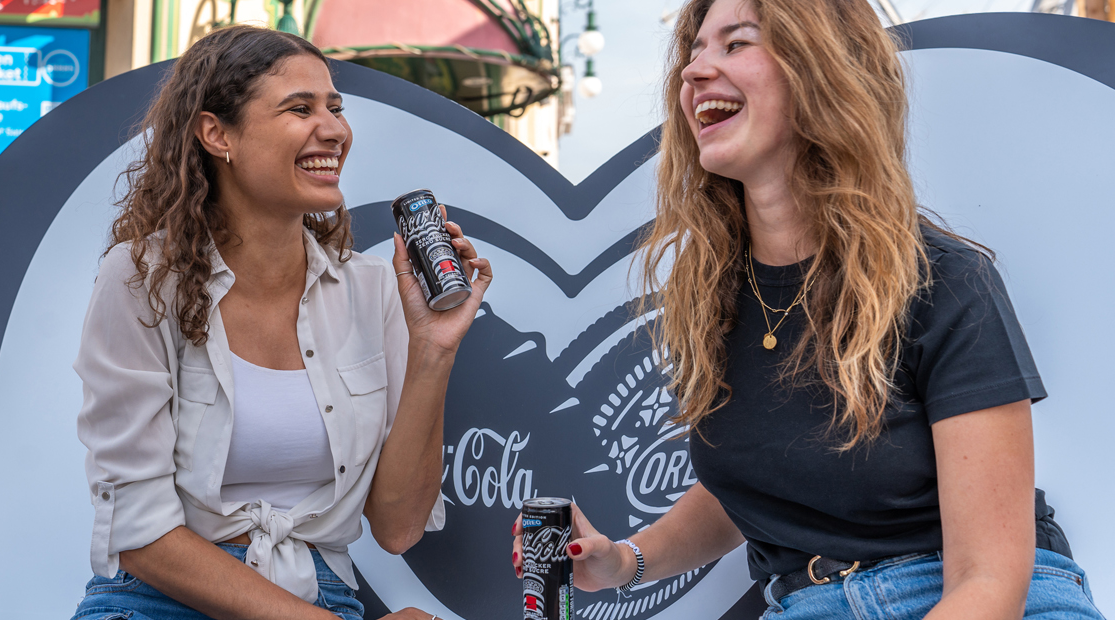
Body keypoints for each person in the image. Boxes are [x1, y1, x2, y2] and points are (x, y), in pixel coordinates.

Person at [511, 1, 1104, 618]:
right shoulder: (714, 298)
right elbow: (764, 481)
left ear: (821, 71)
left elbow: (988, 581)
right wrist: (622, 562)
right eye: (693, 53)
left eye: (735, 45)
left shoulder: (946, 281)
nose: (693, 72)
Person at [73, 25, 491, 620]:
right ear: (217, 134)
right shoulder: (141, 277)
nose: (334, 130)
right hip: (160, 600)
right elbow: (141, 536)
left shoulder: (374, 288)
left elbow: (398, 528)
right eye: (300, 108)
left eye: (335, 108)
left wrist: (433, 349)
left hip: (320, 592)